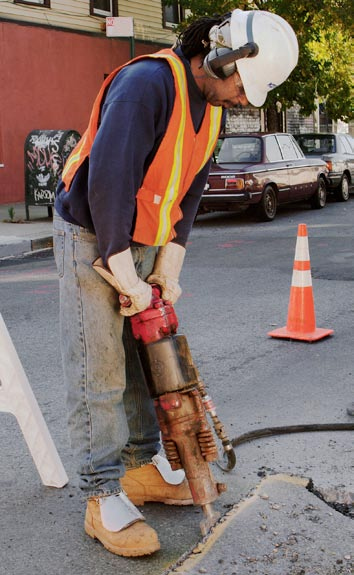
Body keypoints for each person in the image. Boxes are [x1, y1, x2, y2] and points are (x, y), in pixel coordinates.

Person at [53, 9, 298, 557]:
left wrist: (166, 271)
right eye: (242, 86)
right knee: (103, 370)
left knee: (144, 367)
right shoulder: (146, 86)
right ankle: (101, 496)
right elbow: (109, 186)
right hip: (92, 228)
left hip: (138, 234)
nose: (242, 99)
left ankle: (141, 469)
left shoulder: (211, 111)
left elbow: (187, 197)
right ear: (219, 56)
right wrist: (120, 272)